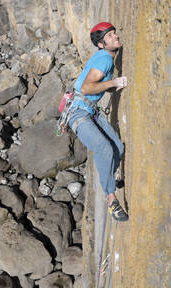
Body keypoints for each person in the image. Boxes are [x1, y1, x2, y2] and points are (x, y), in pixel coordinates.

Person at [68, 22, 128, 221]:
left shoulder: (105, 57)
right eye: (110, 36)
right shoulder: (105, 59)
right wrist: (113, 83)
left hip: (89, 111)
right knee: (104, 148)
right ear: (102, 44)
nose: (116, 36)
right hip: (79, 113)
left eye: (114, 33)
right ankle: (111, 199)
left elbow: (95, 86)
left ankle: (109, 177)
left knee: (117, 148)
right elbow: (86, 89)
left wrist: (110, 87)